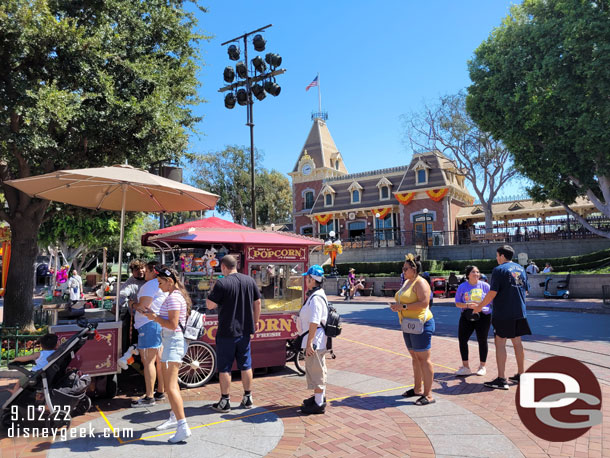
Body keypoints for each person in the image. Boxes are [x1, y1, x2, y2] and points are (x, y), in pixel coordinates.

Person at [206, 255, 262, 413]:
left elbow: (210, 305)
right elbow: (257, 302)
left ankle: (225, 401)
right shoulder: (249, 280)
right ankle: (248, 397)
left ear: (223, 267)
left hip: (227, 331)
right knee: (246, 364)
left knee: (224, 367)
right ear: (235, 265)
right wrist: (255, 321)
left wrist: (212, 290)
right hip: (245, 330)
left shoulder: (222, 282)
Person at [474, 245, 531, 390]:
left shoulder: (499, 270)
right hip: (520, 312)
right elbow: (526, 290)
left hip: (503, 313)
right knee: (517, 342)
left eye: (497, 255)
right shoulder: (520, 269)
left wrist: (479, 307)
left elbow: (492, 293)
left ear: (502, 256)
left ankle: (501, 378)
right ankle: (521, 374)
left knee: (500, 343)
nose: (496, 258)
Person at [146, 265, 190, 443]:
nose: (158, 286)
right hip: (173, 341)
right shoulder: (176, 296)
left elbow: (172, 324)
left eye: (160, 282)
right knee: (173, 386)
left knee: (170, 387)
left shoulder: (173, 299)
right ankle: (175, 418)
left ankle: (182, 425)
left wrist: (154, 317)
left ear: (170, 281)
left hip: (173, 342)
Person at [390, 254, 435, 405]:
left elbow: (424, 303)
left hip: (420, 324)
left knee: (423, 359)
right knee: (415, 358)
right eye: (403, 268)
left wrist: (402, 306)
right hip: (408, 324)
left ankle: (428, 395)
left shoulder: (420, 283)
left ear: (414, 269)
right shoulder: (407, 282)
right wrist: (397, 306)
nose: (403, 271)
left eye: (405, 268)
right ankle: (417, 389)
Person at [130, 261, 167, 407]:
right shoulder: (160, 285)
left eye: (146, 271)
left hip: (148, 325)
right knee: (159, 360)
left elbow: (143, 308)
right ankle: (160, 391)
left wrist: (131, 304)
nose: (144, 273)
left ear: (153, 271)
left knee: (148, 361)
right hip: (157, 324)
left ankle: (149, 397)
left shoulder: (150, 285)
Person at [298, 265, 329, 415]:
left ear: (312, 279)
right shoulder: (316, 295)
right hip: (316, 338)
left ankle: (318, 403)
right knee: (317, 369)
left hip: (315, 340)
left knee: (316, 371)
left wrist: (310, 342)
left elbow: (314, 321)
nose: (306, 280)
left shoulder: (316, 298)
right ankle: (319, 398)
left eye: (307, 277)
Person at [454, 265, 492, 377]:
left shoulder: (485, 286)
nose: (476, 274)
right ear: (468, 275)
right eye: (473, 272)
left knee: (482, 340)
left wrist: (480, 306)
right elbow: (457, 303)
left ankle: (482, 366)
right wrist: (467, 305)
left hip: (483, 316)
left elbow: (492, 300)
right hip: (467, 315)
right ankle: (465, 367)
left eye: (478, 272)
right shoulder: (462, 286)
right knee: (462, 339)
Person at [116, 260, 146, 352]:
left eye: (142, 268)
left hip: (150, 317)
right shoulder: (130, 282)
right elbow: (122, 293)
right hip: (135, 317)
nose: (140, 271)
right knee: (134, 341)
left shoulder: (150, 279)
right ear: (132, 272)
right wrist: (115, 305)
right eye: (137, 269)